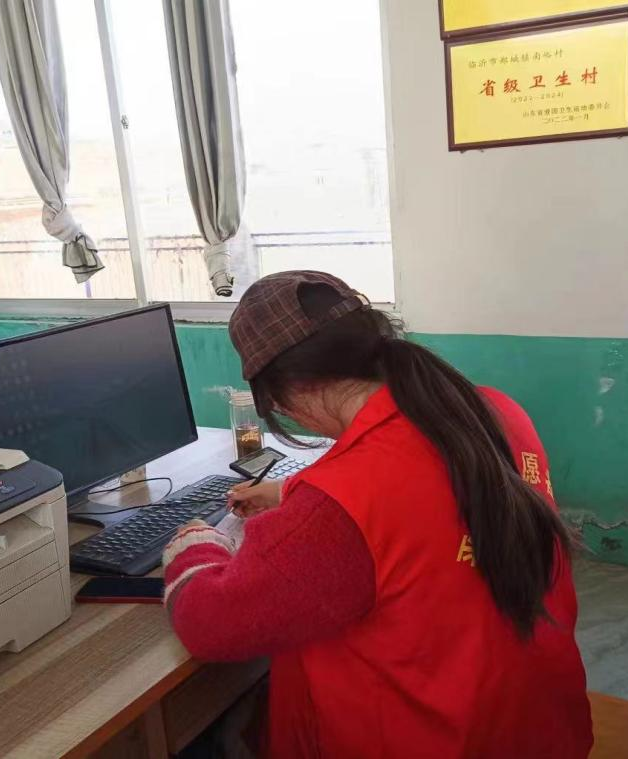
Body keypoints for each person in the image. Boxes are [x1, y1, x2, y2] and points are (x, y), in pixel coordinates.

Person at [161, 271, 592, 758]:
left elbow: (210, 624)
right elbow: (425, 499)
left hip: (433, 740)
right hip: (539, 729)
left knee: (212, 732)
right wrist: (294, 493)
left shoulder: (341, 505)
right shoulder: (493, 410)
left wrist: (194, 542)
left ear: (282, 394)